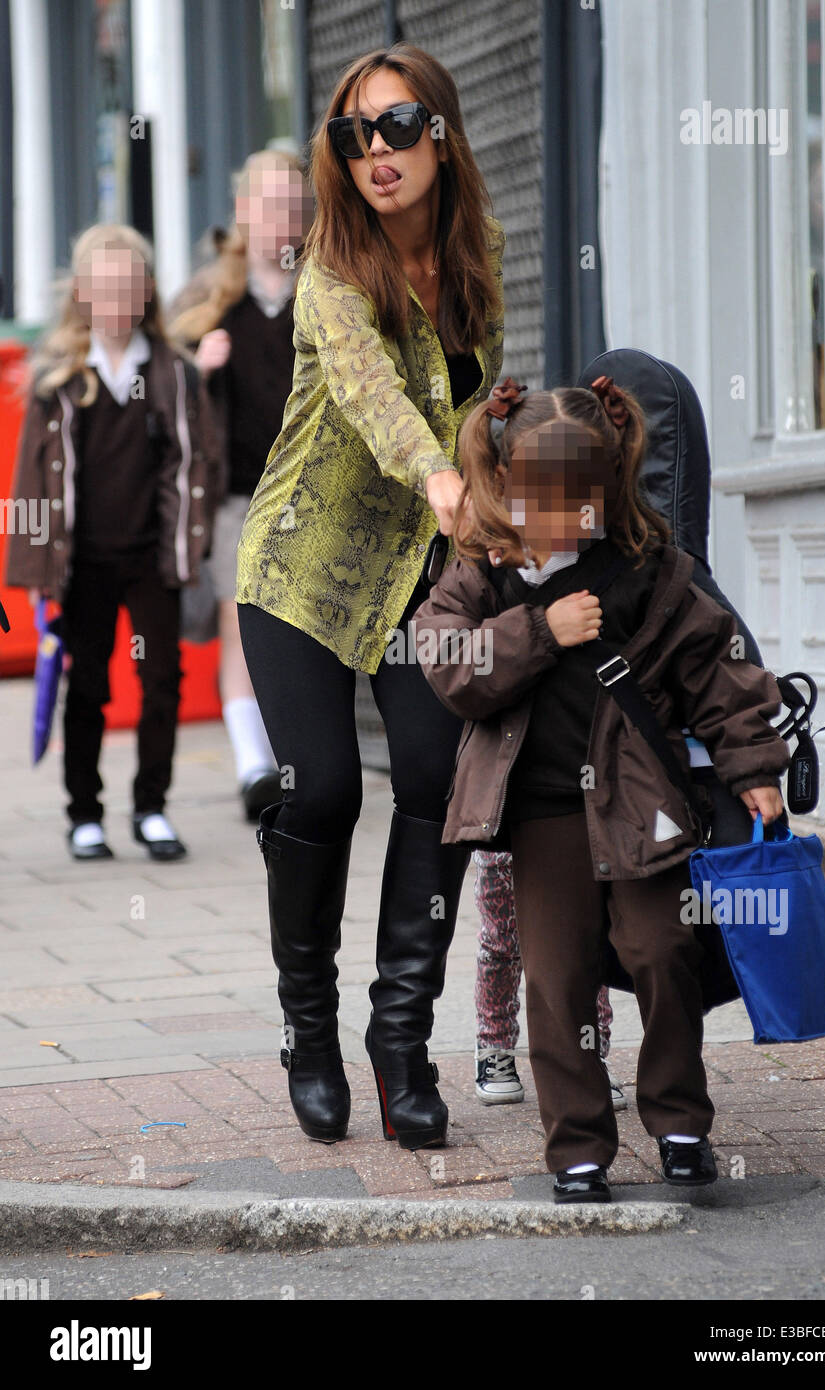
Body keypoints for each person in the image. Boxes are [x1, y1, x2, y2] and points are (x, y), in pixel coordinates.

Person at [412, 376, 791, 1202]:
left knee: (662, 952)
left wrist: (755, 767)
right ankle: (577, 1147)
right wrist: (537, 632)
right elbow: (443, 658)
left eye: (573, 504)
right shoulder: (483, 564)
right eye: (535, 503)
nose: (553, 523)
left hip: (640, 802)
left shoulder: (651, 569)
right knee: (555, 979)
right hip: (543, 812)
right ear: (505, 486)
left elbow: (720, 673)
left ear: (606, 488)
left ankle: (680, 1122)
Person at [235, 43, 505, 1149]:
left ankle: (401, 1040)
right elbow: (372, 393)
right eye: (354, 136)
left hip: (414, 579)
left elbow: (478, 404)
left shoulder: (477, 255)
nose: (376, 153)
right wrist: (439, 472)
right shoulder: (333, 273)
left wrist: (497, 480)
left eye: (397, 127)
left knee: (439, 776)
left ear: (439, 132)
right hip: (300, 567)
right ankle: (310, 1027)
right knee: (321, 790)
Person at [4, 224, 220, 861]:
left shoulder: (173, 374)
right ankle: (84, 813)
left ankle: (151, 807)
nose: (118, 298)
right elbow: (30, 479)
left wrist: (190, 544)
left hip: (152, 558)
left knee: (161, 680)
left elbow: (195, 459)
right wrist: (38, 565)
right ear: (82, 294)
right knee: (89, 684)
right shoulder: (61, 379)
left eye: (129, 285)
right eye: (104, 287)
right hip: (82, 563)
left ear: (148, 292)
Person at [169, 150, 315, 820]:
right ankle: (255, 766)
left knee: (309, 627)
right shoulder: (208, 300)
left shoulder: (325, 289)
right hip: (237, 494)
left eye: (294, 203)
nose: (281, 216)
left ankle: (302, 758)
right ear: (242, 213)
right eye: (268, 202)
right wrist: (197, 367)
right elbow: (155, 395)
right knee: (241, 623)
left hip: (314, 493)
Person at [472, 849, 624, 1109]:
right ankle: (494, 1045)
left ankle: (591, 1052)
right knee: (501, 938)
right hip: (500, 821)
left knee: (586, 938)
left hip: (572, 818)